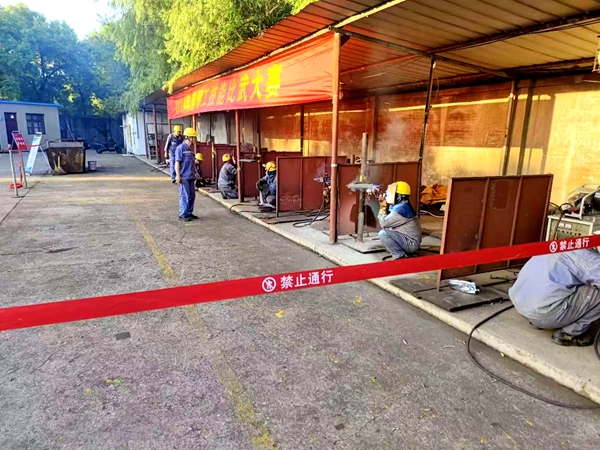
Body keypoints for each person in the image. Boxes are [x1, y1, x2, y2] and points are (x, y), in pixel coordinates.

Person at [509, 247, 600, 346]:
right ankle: (569, 334)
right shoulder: (591, 260)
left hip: (521, 306)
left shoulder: (562, 245)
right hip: (542, 314)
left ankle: (544, 321)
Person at [377, 181, 421, 260]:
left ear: (398, 195)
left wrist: (382, 207)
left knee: (383, 233)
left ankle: (400, 256)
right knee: (388, 229)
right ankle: (400, 250)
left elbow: (384, 223)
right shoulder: (402, 205)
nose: (387, 195)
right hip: (408, 240)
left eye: (390, 193)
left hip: (411, 244)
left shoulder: (401, 208)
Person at [174, 128, 198, 221]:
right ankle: (183, 214)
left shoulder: (190, 149)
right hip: (184, 177)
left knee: (192, 196)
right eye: (193, 137)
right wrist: (178, 175)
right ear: (188, 137)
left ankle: (189, 212)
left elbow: (193, 163)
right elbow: (177, 162)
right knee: (185, 196)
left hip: (191, 176)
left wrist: (196, 172)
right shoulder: (180, 148)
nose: (195, 139)